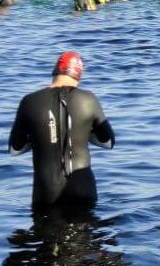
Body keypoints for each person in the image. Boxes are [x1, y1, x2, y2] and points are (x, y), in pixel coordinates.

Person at [8, 52, 114, 211]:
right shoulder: (89, 100)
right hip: (83, 191)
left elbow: (14, 149)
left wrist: (39, 137)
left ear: (55, 70)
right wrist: (84, 134)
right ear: (78, 75)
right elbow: (108, 142)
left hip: (45, 195)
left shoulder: (29, 101)